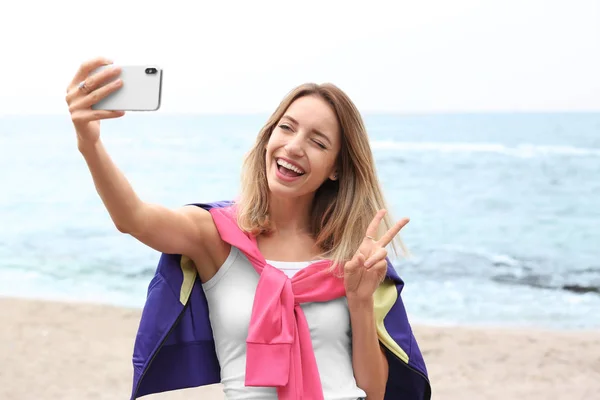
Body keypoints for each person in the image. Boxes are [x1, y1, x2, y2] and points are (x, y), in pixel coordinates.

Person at [65, 57, 431, 400]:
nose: (294, 146)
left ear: (336, 168)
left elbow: (373, 390)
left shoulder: (353, 258)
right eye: (286, 128)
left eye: (318, 142)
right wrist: (89, 143)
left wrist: (361, 299)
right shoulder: (216, 235)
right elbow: (134, 219)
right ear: (269, 135)